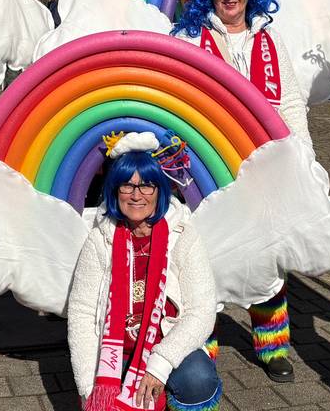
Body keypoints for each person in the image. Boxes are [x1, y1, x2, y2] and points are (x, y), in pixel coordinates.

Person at [170, 0, 308, 383]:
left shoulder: (269, 39)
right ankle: (200, 344)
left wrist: (302, 159)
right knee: (201, 256)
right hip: (204, 168)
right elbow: (172, 103)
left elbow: (289, 103)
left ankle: (272, 345)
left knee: (266, 257)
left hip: (263, 166)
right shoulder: (188, 39)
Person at [67, 132, 221, 411]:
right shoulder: (100, 240)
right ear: (115, 192)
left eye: (147, 186)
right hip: (114, 353)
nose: (137, 195)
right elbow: (82, 313)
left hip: (166, 345)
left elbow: (202, 309)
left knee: (197, 379)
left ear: (160, 191)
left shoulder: (183, 235)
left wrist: (159, 366)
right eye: (127, 186)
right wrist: (90, 388)